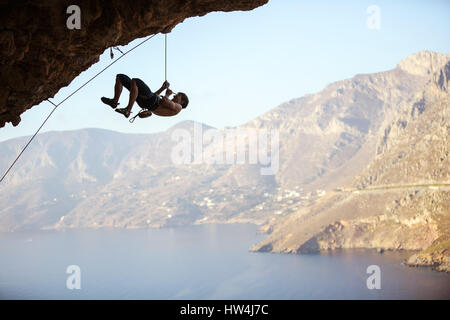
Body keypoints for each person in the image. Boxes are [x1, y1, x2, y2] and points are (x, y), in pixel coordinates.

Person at [101, 74, 189, 119]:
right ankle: (114, 102)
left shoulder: (179, 107)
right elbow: (155, 96)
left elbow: (164, 101)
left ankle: (128, 109)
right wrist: (162, 88)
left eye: (178, 95)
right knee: (120, 77)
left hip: (150, 102)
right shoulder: (173, 106)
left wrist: (167, 94)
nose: (175, 95)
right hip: (147, 102)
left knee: (136, 81)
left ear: (182, 102)